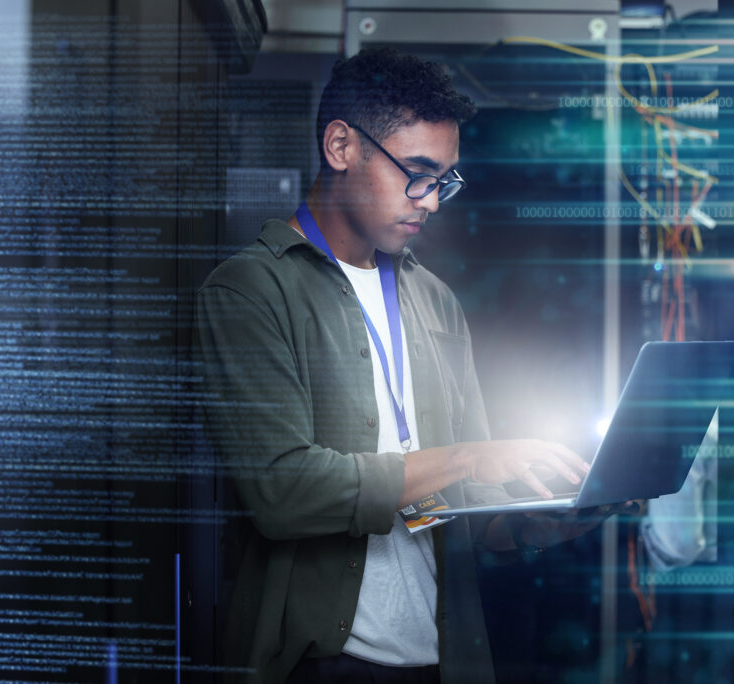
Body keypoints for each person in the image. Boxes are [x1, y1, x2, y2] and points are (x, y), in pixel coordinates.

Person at [196, 47, 605, 684]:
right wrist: (471, 456)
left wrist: (540, 524)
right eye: (417, 172)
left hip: (440, 659)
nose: (432, 201)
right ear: (340, 146)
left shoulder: (436, 300)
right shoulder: (250, 290)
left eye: (444, 180)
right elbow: (282, 493)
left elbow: (468, 513)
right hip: (319, 665)